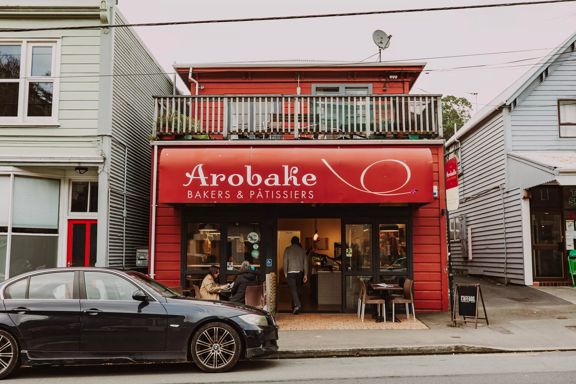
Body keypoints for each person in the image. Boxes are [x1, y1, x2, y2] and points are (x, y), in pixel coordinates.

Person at [283, 236, 308, 314]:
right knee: (297, 290)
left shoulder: (287, 249)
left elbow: (285, 262)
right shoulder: (302, 250)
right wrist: (305, 274)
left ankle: (297, 305)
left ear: (291, 242)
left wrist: (285, 272)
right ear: (298, 242)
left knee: (293, 290)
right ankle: (294, 308)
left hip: (290, 272)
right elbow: (305, 263)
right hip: (300, 272)